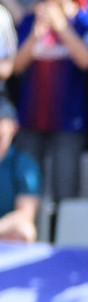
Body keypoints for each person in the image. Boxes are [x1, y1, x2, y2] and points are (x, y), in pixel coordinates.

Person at [11, 0, 88, 203]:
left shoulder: (83, 20)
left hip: (69, 121)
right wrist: (35, 35)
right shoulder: (31, 20)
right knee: (26, 188)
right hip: (31, 119)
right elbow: (16, 67)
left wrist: (62, 28)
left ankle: (62, 234)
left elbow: (86, 60)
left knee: (65, 190)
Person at [0, 96, 40, 243]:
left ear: (14, 128)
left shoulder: (24, 164)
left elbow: (25, 213)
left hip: (4, 232)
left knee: (24, 231)